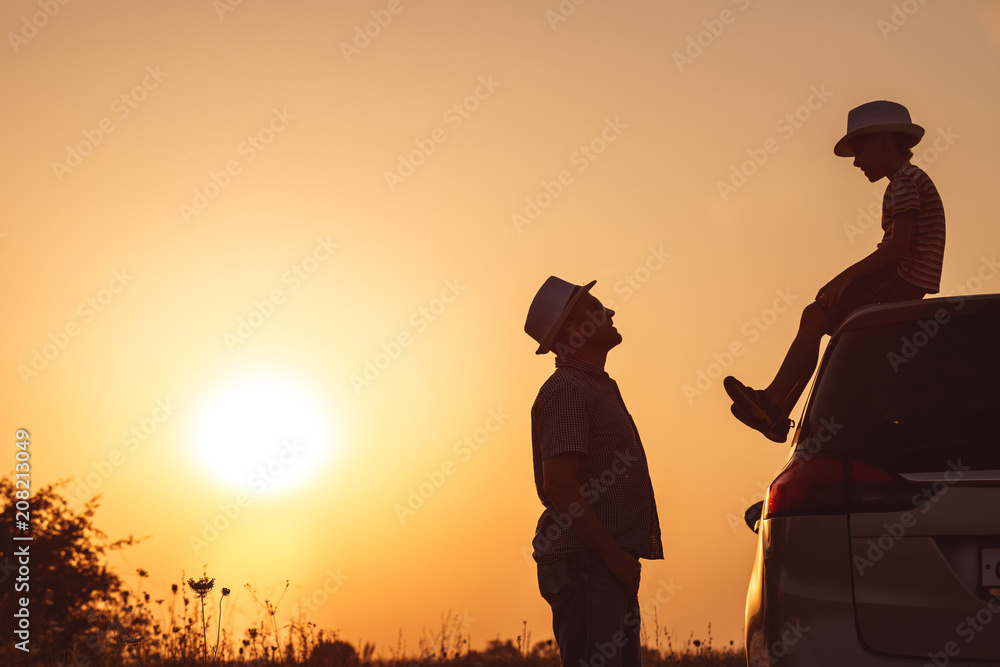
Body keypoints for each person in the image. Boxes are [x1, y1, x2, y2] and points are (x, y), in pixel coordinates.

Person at [725, 100, 946, 442]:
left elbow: (897, 248)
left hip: (901, 278)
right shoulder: (910, 180)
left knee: (816, 316)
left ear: (885, 142)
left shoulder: (903, 183)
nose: (856, 161)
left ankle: (773, 403)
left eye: (859, 150)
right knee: (822, 322)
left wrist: (846, 277)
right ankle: (776, 412)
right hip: (907, 279)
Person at [524, 276, 663, 667]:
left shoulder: (589, 386)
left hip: (602, 565)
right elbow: (560, 486)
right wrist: (613, 556)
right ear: (573, 328)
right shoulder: (569, 389)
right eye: (597, 309)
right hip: (590, 565)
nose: (611, 313)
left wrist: (617, 560)